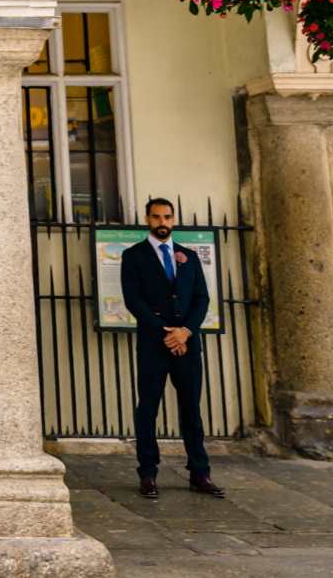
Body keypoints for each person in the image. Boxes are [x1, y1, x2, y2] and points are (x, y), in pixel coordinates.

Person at [121, 197, 225, 500]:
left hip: (187, 345)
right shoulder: (134, 256)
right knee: (148, 408)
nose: (162, 223)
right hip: (154, 344)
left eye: (167, 217)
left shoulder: (188, 257)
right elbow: (133, 300)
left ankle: (200, 472)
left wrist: (186, 331)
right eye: (156, 217)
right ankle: (148, 473)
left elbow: (202, 298)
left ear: (173, 219)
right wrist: (163, 332)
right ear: (147, 219)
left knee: (191, 408)